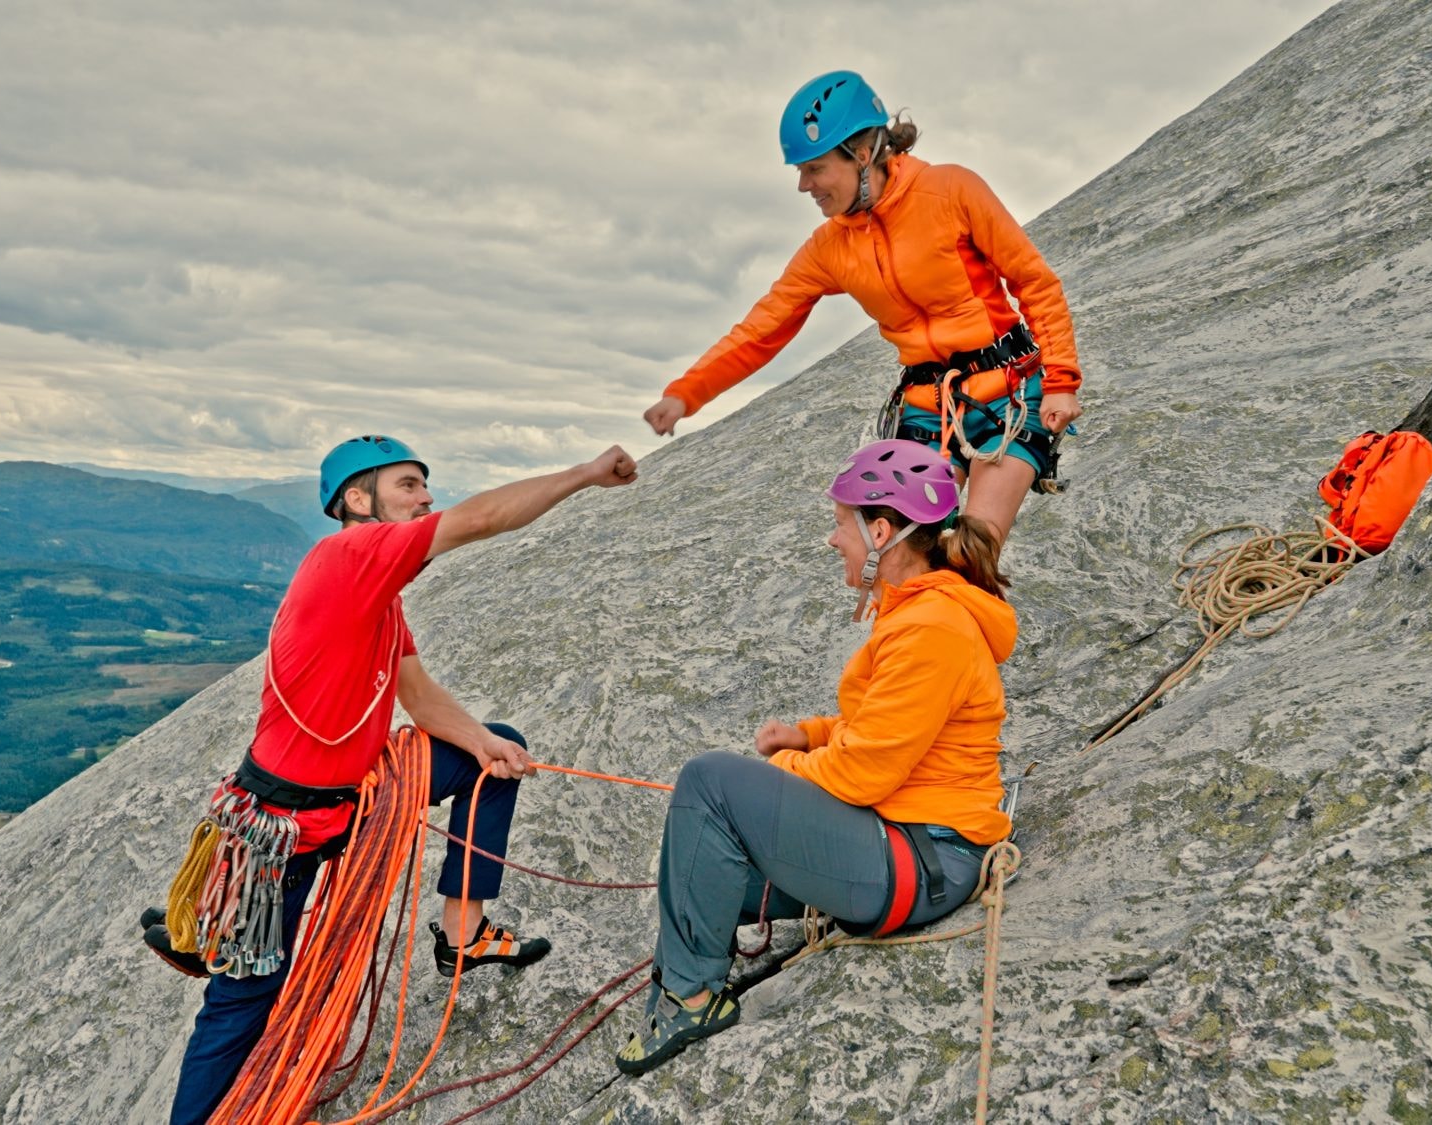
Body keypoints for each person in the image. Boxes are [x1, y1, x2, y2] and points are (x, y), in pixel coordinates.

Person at [145, 434, 638, 1125]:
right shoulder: (349, 557)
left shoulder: (380, 600)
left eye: (425, 485)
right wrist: (584, 473)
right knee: (245, 997)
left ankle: (462, 934)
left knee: (493, 754)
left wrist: (484, 743)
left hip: (345, 804)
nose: (426, 497)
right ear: (357, 499)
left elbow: (419, 696)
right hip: (283, 833)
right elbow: (480, 519)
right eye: (408, 485)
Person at [615, 439, 1016, 1075]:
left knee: (709, 782)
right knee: (701, 860)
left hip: (922, 860)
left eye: (840, 524)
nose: (834, 540)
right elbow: (886, 726)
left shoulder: (931, 626)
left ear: (880, 531)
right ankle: (681, 980)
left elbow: (863, 772)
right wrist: (810, 737)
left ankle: (690, 999)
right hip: (906, 846)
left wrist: (780, 774)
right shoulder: (916, 613)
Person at [643, 70, 1084, 539]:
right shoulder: (828, 247)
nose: (804, 185)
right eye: (800, 171)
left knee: (974, 549)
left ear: (861, 155)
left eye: (815, 168)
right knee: (902, 553)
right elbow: (762, 328)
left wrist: (1060, 381)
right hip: (927, 407)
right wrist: (685, 393)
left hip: (1008, 392)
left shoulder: (951, 190)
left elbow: (1033, 282)